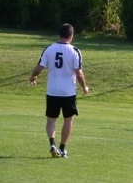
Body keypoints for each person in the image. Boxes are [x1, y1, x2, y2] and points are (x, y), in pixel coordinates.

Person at [29, 24, 89, 158]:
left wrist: (33, 77)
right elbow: (78, 73)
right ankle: (62, 149)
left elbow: (39, 67)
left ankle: (52, 143)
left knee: (51, 120)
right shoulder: (74, 51)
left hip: (52, 91)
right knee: (68, 120)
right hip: (68, 92)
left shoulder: (49, 49)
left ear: (59, 34)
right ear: (71, 35)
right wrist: (84, 87)